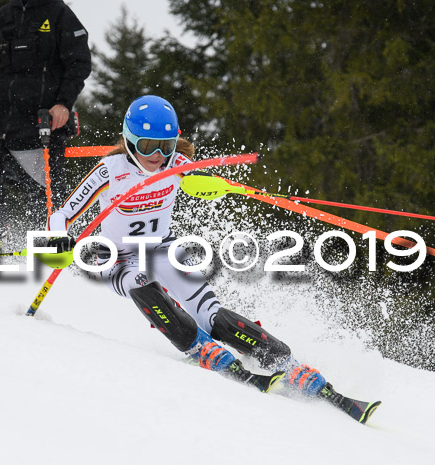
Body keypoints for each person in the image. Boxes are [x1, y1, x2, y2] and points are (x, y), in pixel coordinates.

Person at [46, 95, 381, 423]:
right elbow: (62, 215)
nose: (158, 156)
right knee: (138, 280)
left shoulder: (178, 165)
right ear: (131, 141)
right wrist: (59, 237)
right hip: (116, 258)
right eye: (148, 146)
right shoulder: (110, 170)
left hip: (162, 248)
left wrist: (218, 187)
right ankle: (196, 347)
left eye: (167, 145)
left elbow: (205, 183)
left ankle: (285, 362)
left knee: (211, 314)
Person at [0, 0, 92, 245]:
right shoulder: (5, 14)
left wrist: (63, 103)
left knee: (42, 184)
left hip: (43, 113)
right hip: (0, 109)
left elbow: (79, 62)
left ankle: (50, 239)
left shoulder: (59, 13)